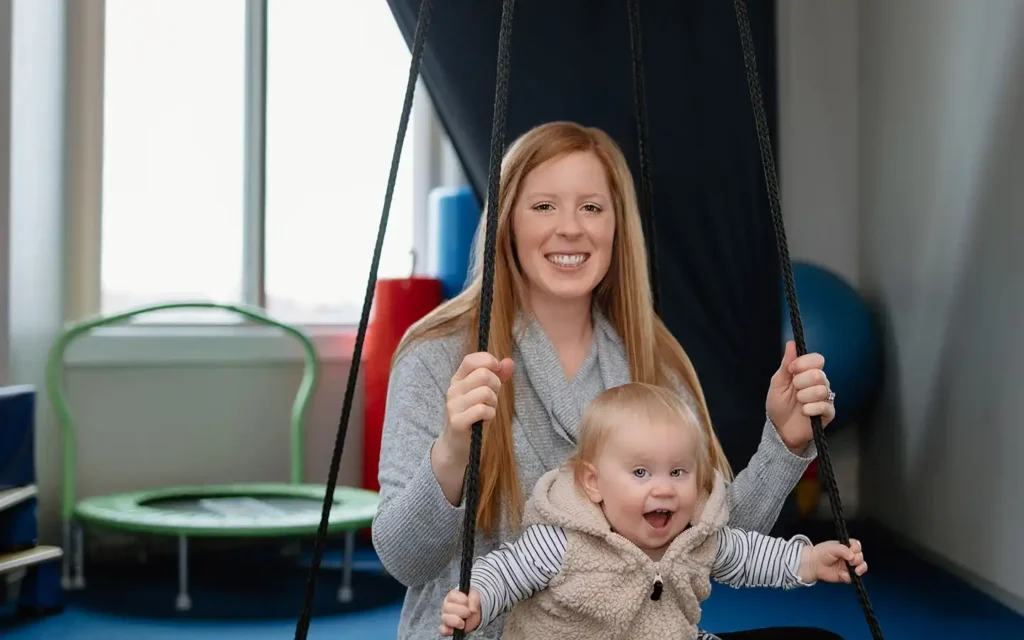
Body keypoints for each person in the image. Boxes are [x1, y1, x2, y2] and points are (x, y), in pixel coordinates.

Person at [373, 121, 839, 639]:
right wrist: (452, 452)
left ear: (617, 227)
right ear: (506, 222)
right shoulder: (436, 354)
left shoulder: (654, 358)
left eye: (591, 207)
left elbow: (708, 542)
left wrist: (785, 442)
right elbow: (403, 559)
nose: (570, 228)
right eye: (544, 206)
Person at [437, 382, 866, 639]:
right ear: (594, 483)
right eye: (640, 472)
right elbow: (506, 571)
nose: (663, 488)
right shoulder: (563, 540)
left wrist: (808, 560)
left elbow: (752, 555)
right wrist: (476, 599)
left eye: (678, 472)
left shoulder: (694, 534)